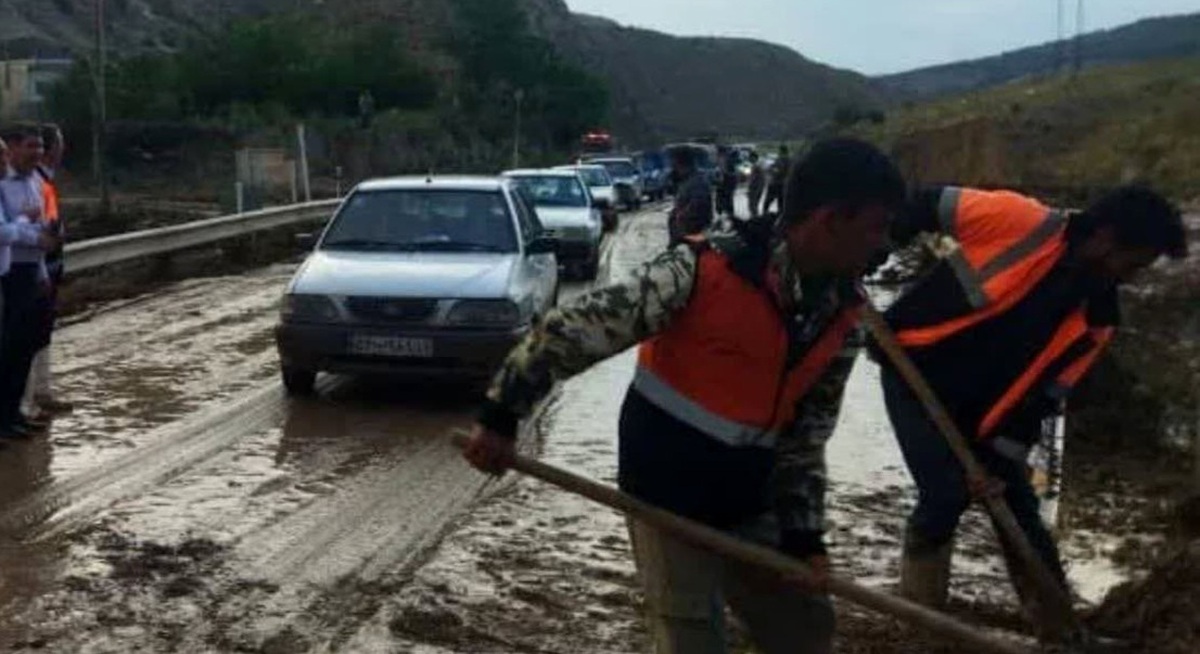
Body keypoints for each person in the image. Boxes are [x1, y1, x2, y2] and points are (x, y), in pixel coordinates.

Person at [464, 138, 906, 654]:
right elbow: (569, 330)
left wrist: (805, 538)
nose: (884, 245)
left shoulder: (842, 317)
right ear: (831, 220)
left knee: (804, 628)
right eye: (875, 227)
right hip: (666, 497)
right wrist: (500, 415)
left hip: (749, 502)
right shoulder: (700, 271)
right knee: (691, 638)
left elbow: (807, 439)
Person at [877, 184, 1188, 616]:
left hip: (988, 413)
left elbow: (1042, 402)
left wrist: (998, 459)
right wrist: (873, 255)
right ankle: (919, 603)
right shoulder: (1020, 221)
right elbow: (924, 203)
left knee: (1018, 507)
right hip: (914, 371)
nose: (1129, 277)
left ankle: (1054, 616)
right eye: (1131, 264)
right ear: (1104, 237)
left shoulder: (1098, 319)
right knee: (945, 494)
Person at [0, 124, 56, 439]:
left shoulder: (37, 182)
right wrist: (35, 236)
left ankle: (13, 415)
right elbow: (9, 230)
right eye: (30, 146)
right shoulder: (2, 183)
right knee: (7, 348)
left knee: (25, 347)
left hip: (31, 270)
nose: (37, 152)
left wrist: (43, 271)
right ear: (13, 148)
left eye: (39, 147)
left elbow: (44, 228)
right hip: (9, 272)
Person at [23, 124, 72, 418]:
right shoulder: (37, 183)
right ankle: (28, 401)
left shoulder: (45, 181)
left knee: (42, 330)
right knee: (30, 332)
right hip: (35, 265)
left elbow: (52, 222)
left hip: (47, 264)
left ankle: (41, 392)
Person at [665, 146, 713, 243]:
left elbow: (698, 205)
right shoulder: (686, 182)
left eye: (675, 165)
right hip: (684, 234)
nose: (674, 168)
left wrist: (681, 216)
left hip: (692, 234)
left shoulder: (696, 182)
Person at [761, 145, 791, 216]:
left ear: (781, 151)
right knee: (781, 202)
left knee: (768, 201)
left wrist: (771, 170)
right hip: (785, 184)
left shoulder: (780, 160)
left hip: (776, 183)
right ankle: (780, 216)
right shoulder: (790, 160)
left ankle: (764, 214)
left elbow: (777, 170)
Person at [715, 147, 738, 218]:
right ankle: (725, 213)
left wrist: (723, 175)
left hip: (727, 180)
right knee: (725, 198)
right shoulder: (723, 159)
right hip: (726, 180)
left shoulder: (727, 160)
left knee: (726, 198)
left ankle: (727, 213)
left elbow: (729, 172)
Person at [747, 151, 766, 219]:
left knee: (752, 206)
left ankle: (755, 219)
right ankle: (754, 218)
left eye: (750, 157)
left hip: (755, 189)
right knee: (753, 206)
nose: (749, 159)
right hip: (756, 188)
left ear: (753, 157)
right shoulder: (757, 165)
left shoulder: (757, 166)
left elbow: (759, 179)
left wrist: (756, 189)